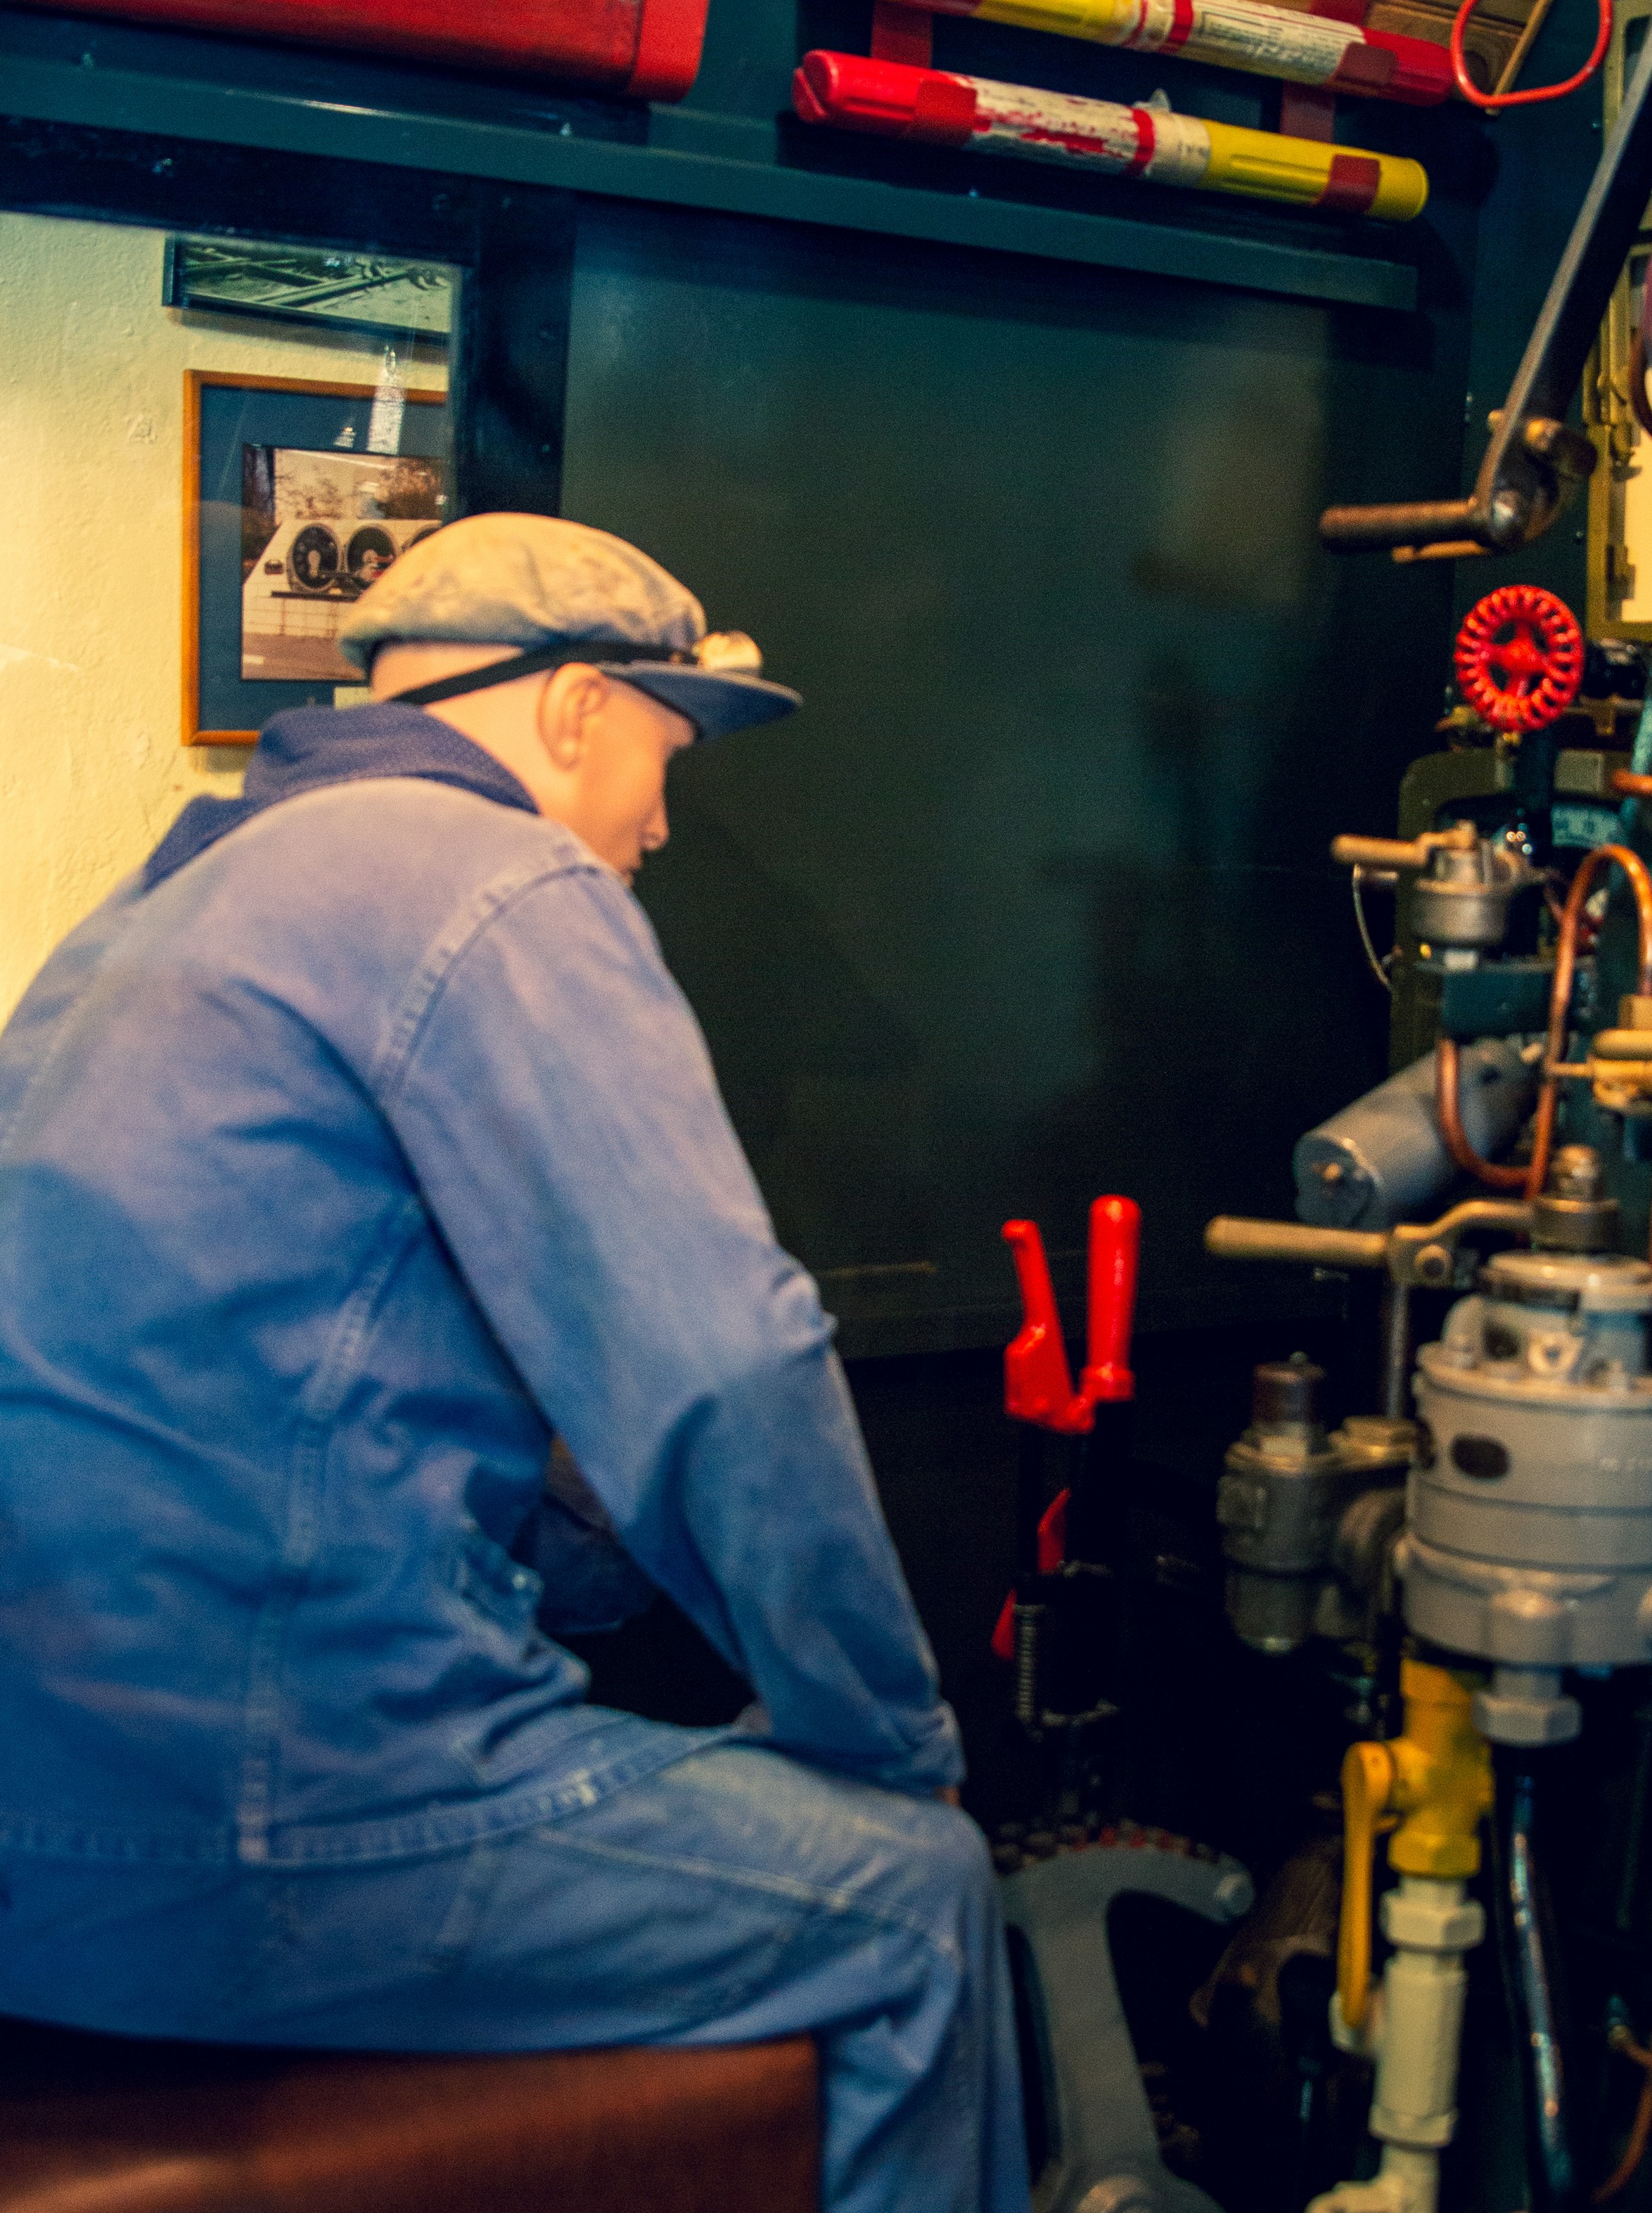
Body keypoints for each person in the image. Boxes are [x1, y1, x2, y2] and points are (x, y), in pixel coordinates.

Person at [0, 512, 1029, 2213]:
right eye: (665, 746)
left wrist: (590, 1560)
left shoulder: (160, 898)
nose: (665, 816)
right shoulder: (493, 875)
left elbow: (280, 1404)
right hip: (231, 1822)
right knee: (913, 1889)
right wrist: (889, 1736)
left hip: (46, 1818)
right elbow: (726, 1365)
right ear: (572, 708)